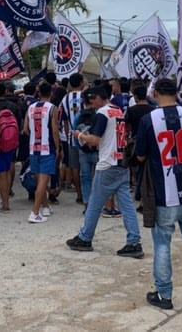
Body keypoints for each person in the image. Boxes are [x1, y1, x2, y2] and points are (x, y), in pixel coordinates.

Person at [135, 77, 182, 309]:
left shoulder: (148, 120)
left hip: (163, 193)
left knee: (161, 245)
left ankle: (164, 294)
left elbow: (139, 156)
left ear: (157, 93)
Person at [67, 83, 143, 257]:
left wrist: (80, 135)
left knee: (94, 203)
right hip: (121, 162)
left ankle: (85, 238)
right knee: (127, 205)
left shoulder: (102, 113)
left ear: (100, 98)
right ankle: (134, 241)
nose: (92, 103)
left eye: (93, 99)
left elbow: (94, 140)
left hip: (107, 163)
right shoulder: (118, 111)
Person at [24, 81, 61, 223]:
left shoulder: (31, 107)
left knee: (40, 180)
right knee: (44, 181)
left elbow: (26, 128)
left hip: (34, 147)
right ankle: (35, 212)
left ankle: (45, 206)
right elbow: (55, 129)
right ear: (51, 93)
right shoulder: (53, 108)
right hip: (47, 147)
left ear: (38, 93)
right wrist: (58, 147)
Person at [0, 82, 19, 212]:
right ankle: (7, 196)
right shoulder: (13, 106)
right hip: (12, 142)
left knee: (1, 172)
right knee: (8, 169)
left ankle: (5, 202)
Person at [60, 73, 85, 204]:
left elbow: (63, 119)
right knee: (87, 166)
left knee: (75, 167)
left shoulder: (64, 99)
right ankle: (88, 194)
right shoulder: (86, 96)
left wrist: (68, 132)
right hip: (86, 137)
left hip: (71, 138)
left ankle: (79, 195)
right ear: (81, 82)